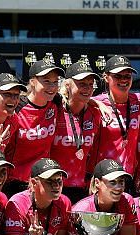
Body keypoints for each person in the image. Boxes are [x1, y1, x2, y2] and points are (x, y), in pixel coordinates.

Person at [3, 61, 65, 197]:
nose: (52, 86)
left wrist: (97, 103)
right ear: (32, 82)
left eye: (55, 82)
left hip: (42, 181)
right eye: (46, 81)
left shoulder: (56, 101)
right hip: (14, 183)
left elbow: (79, 99)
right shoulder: (18, 106)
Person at [51, 61, 103, 203]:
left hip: (81, 188)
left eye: (90, 84)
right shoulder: (55, 110)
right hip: (53, 187)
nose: (87, 88)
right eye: (82, 84)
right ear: (67, 85)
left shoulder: (95, 113)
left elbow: (94, 153)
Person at [87, 55, 140, 186]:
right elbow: (69, 97)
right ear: (106, 78)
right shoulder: (96, 103)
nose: (123, 80)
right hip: (102, 178)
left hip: (128, 178)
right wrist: (95, 102)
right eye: (118, 76)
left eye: (127, 76)